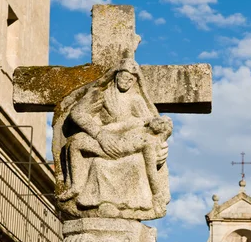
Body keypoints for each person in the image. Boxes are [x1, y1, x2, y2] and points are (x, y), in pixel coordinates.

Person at [57, 56, 171, 218]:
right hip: (103, 141)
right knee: (77, 142)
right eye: (123, 77)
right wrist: (99, 133)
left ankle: (136, 205)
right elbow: (77, 113)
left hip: (128, 147)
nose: (126, 82)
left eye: (131, 79)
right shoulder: (101, 94)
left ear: (135, 81)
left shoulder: (137, 100)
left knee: (134, 162)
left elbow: (152, 125)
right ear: (115, 75)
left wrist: (160, 147)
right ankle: (77, 187)